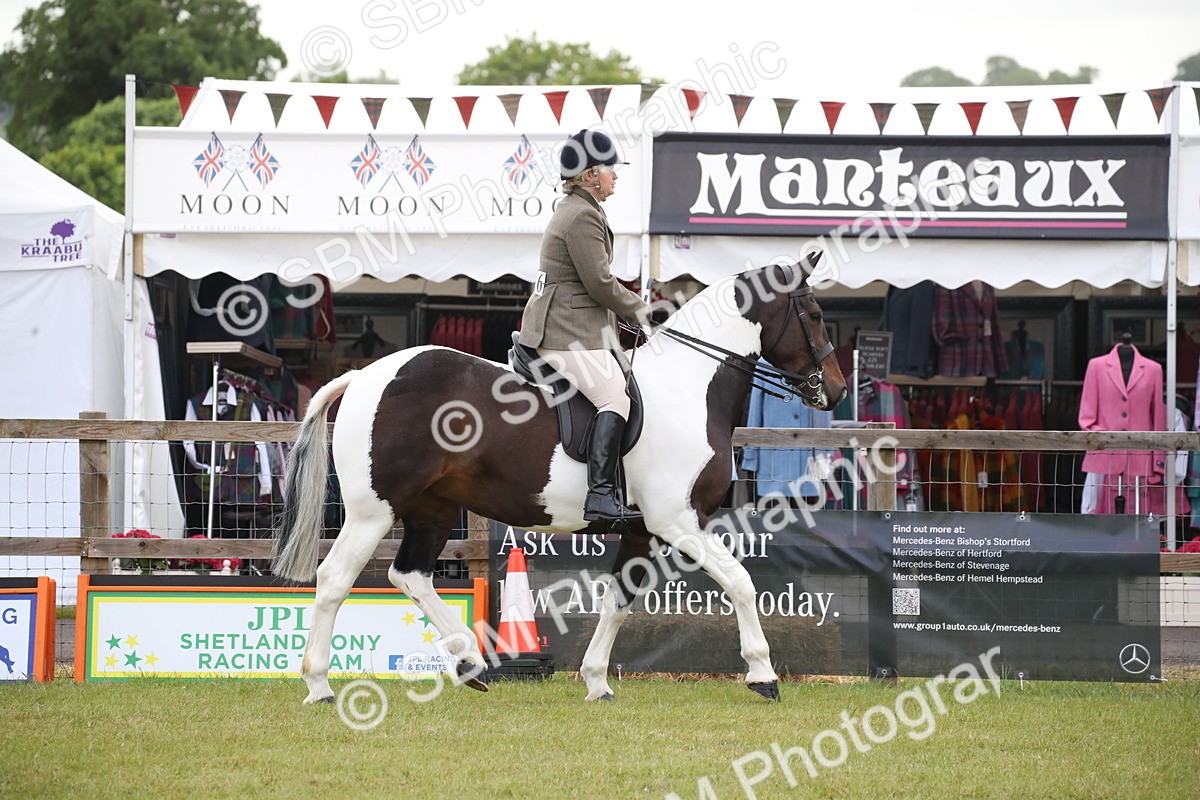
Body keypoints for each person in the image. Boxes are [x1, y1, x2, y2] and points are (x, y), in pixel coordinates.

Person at [518, 129, 651, 521]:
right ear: (591, 173)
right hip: (563, 330)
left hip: (574, 323)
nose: (616, 175)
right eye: (611, 169)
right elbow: (599, 283)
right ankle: (600, 496)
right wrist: (642, 311)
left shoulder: (583, 209)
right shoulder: (581, 215)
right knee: (614, 397)